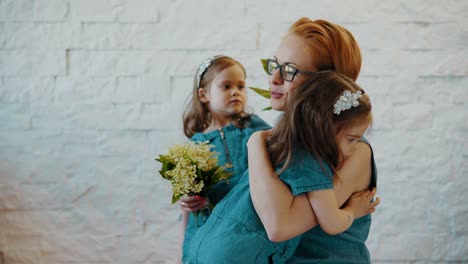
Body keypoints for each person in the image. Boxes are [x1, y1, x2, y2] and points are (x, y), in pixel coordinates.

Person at [187, 71, 378, 264]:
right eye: (351, 139)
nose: (354, 148)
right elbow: (331, 222)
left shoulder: (279, 143)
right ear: (325, 128)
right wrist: (354, 210)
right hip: (236, 255)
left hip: (209, 240)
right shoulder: (313, 163)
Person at [247, 18, 379, 263]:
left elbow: (279, 225)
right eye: (274, 64)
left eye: (289, 70)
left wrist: (254, 142)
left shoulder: (356, 153)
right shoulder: (292, 139)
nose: (274, 78)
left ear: (324, 85)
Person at [177, 55, 271, 263]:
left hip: (247, 228)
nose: (235, 91)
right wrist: (187, 202)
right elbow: (187, 202)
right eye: (226, 86)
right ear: (204, 95)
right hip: (207, 232)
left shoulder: (254, 128)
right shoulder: (195, 146)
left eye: (241, 86)